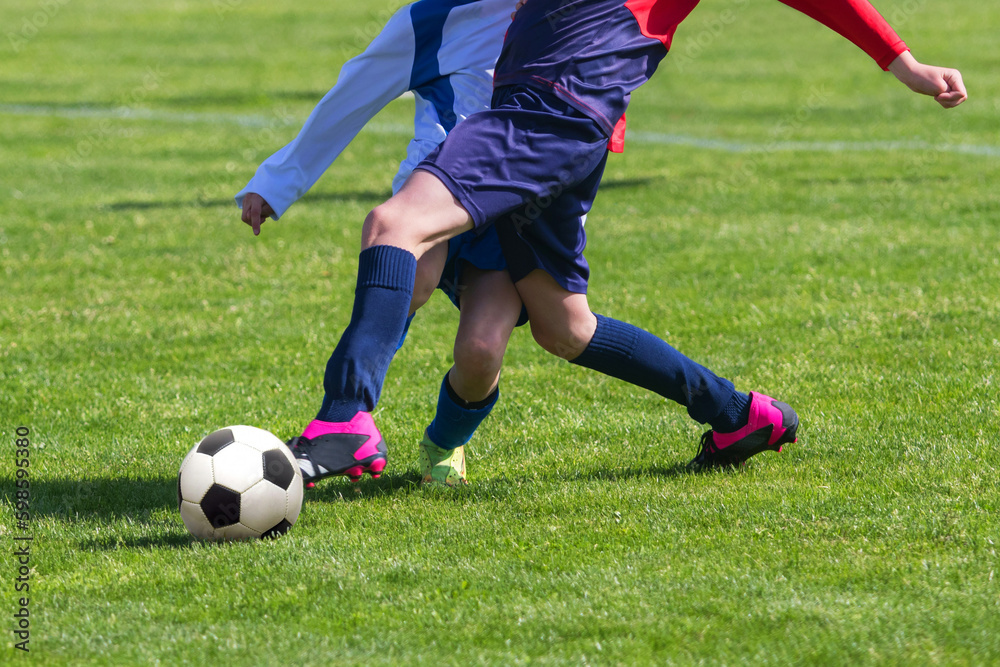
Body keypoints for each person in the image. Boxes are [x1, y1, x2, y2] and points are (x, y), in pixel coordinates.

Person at [245, 0, 966, 482]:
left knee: (395, 227)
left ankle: (347, 418)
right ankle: (739, 414)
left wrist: (900, 60)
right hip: (564, 125)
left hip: (547, 111)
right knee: (563, 327)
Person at [237, 0, 526, 487]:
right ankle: (344, 419)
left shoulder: (562, 17)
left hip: (510, 212)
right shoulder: (436, 17)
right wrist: (277, 181)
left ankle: (445, 439)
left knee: (480, 354)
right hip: (434, 191)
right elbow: (353, 95)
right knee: (412, 278)